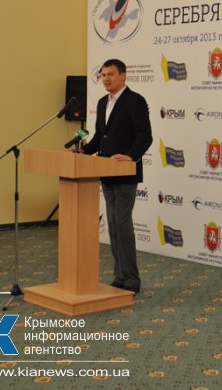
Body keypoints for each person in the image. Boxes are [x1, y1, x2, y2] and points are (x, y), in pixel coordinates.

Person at [82, 59, 153, 294]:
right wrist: (82, 152)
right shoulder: (102, 102)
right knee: (112, 225)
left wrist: (131, 156)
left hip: (125, 173)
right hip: (107, 172)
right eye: (103, 75)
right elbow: (99, 137)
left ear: (123, 76)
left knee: (122, 224)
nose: (106, 79)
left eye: (111, 74)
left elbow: (145, 136)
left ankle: (132, 279)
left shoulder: (135, 101)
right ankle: (120, 276)